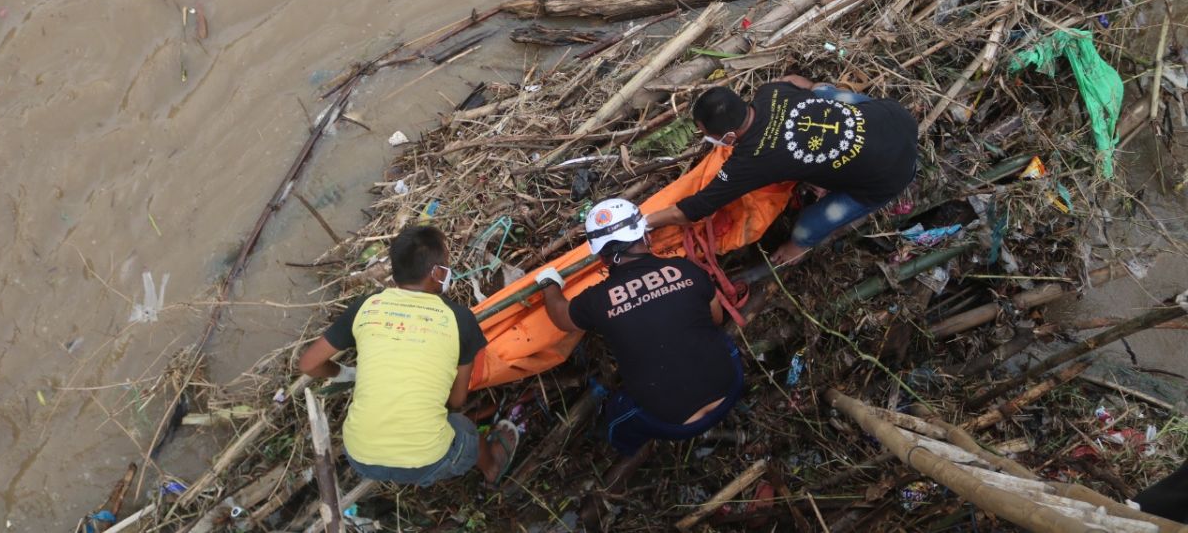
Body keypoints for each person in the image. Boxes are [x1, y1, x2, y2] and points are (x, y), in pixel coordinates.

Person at [298, 225, 518, 487]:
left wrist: (345, 374)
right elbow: (457, 400)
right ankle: (492, 467)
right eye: (445, 263)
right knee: (465, 430)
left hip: (359, 457)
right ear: (437, 273)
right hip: (427, 460)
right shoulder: (459, 319)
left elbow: (309, 363)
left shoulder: (366, 306)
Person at [536, 198, 744, 456]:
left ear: (601, 257)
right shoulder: (686, 269)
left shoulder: (596, 301)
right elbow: (715, 319)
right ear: (645, 237)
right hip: (731, 386)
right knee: (717, 340)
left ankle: (620, 446)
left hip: (675, 422)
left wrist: (549, 283)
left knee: (618, 415)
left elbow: (560, 316)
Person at [644, 75, 918, 266]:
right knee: (821, 93)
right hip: (896, 117)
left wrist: (644, 222)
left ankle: (797, 249)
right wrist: (807, 88)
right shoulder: (769, 92)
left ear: (727, 137)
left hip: (890, 175)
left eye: (706, 134)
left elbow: (696, 207)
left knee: (805, 229)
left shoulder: (751, 160)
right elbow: (795, 81)